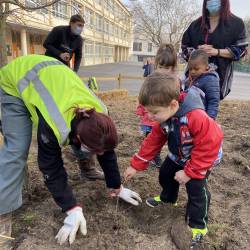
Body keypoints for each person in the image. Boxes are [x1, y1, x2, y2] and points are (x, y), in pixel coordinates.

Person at [0, 55, 142, 248]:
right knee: (17, 150)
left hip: (52, 76)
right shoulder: (53, 124)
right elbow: (50, 167)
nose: (97, 154)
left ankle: (87, 169)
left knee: (94, 144)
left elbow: (106, 151)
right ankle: (2, 213)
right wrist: (71, 208)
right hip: (16, 81)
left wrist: (116, 186)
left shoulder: (100, 113)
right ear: (78, 136)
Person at [124, 72, 223, 248]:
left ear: (173, 104)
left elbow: (210, 143)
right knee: (166, 173)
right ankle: (169, 199)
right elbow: (153, 141)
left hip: (202, 158)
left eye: (154, 112)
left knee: (196, 190)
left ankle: (198, 226)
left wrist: (189, 172)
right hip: (179, 154)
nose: (150, 117)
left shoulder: (196, 117)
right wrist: (136, 165)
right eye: (148, 112)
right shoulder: (164, 117)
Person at [181, 0, 248, 99]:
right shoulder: (195, 25)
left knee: (211, 107)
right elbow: (184, 47)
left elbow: (241, 50)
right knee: (190, 106)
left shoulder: (236, 24)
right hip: (193, 79)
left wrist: (216, 52)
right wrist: (197, 52)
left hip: (219, 78)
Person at [184, 49, 220, 119]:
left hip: (203, 117)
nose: (193, 71)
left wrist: (210, 120)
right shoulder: (190, 79)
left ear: (206, 66)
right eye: (190, 69)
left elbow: (213, 101)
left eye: (196, 69)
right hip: (191, 116)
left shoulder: (210, 79)